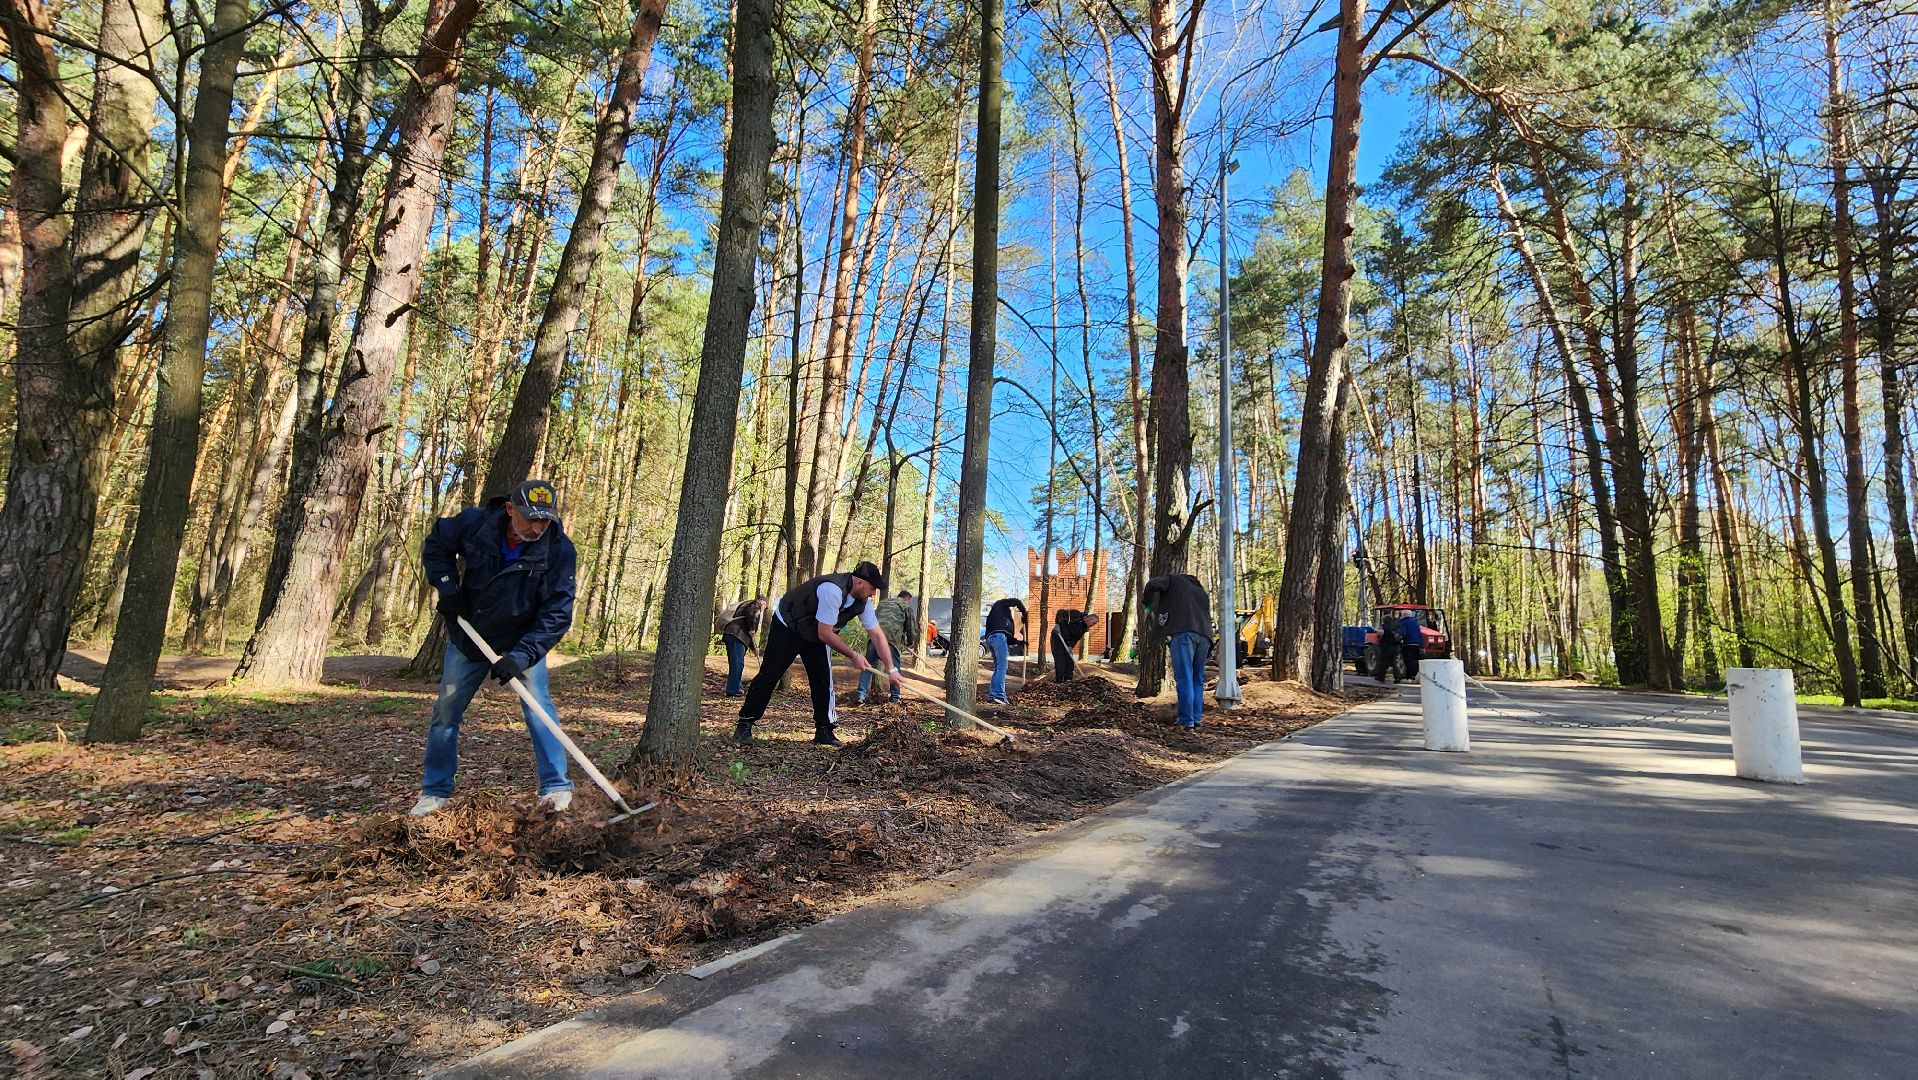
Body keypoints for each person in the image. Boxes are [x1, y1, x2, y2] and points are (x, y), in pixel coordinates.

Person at [411, 480, 578, 816]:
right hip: (471, 634)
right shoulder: (476, 524)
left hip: (523, 640)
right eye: (530, 518)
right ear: (510, 509)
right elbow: (436, 545)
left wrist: (520, 656)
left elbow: (557, 613)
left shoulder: (559, 550)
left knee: (539, 710)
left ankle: (555, 788)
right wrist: (447, 587)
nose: (536, 527)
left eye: (544, 520)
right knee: (446, 711)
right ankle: (435, 791)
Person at [735, 561, 902, 747]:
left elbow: (877, 634)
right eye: (873, 588)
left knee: (823, 680)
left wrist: (891, 668)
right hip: (788, 626)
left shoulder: (863, 602)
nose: (873, 593)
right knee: (770, 674)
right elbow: (826, 634)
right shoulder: (832, 590)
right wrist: (854, 655)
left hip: (815, 634)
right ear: (859, 582)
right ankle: (745, 724)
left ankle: (825, 731)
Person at [1142, 574, 1212, 730]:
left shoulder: (1174, 580)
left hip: (1184, 632)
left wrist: (1147, 603)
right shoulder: (1200, 590)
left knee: (1184, 677)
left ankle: (1186, 721)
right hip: (1205, 636)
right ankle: (1196, 717)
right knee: (1197, 679)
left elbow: (1152, 584)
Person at [858, 589, 918, 704]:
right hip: (891, 638)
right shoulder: (906, 606)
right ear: (906, 599)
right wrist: (909, 642)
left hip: (874, 636)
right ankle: (895, 697)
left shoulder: (883, 602)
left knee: (868, 666)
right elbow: (911, 628)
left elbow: (872, 618)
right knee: (894, 669)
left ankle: (861, 694)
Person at [982, 596, 1027, 705]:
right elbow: (1017, 601)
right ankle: (999, 696)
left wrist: (1020, 642)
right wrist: (1024, 611)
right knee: (1002, 667)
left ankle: (993, 695)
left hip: (992, 639)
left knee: (998, 667)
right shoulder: (1000, 604)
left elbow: (1009, 638)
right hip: (998, 637)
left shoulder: (1001, 619)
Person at [717, 597, 765, 697]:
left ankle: (737, 687)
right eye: (765, 606)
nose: (765, 608)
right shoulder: (755, 605)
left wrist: (753, 648)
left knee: (736, 663)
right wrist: (752, 628)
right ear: (763, 602)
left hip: (733, 635)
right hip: (736, 635)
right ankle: (733, 690)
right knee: (737, 663)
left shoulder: (747, 607)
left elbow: (749, 631)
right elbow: (751, 617)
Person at [1051, 608, 1100, 682]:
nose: (1093, 625)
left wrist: (1070, 646)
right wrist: (1057, 624)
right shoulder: (1076, 615)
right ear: (1089, 619)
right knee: (1060, 661)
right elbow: (1060, 612)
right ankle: (1060, 682)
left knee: (1070, 662)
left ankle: (1068, 680)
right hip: (1058, 637)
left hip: (1067, 642)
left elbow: (1076, 638)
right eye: (1093, 623)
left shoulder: (1084, 628)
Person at [1398, 609, 1425, 682]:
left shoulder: (1403, 623)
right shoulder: (1415, 623)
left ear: (1403, 615)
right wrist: (1422, 645)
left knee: (1408, 661)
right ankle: (1414, 676)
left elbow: (1404, 633)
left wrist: (1400, 640)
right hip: (1416, 644)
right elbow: (1420, 634)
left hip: (1407, 644)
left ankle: (1408, 677)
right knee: (1414, 660)